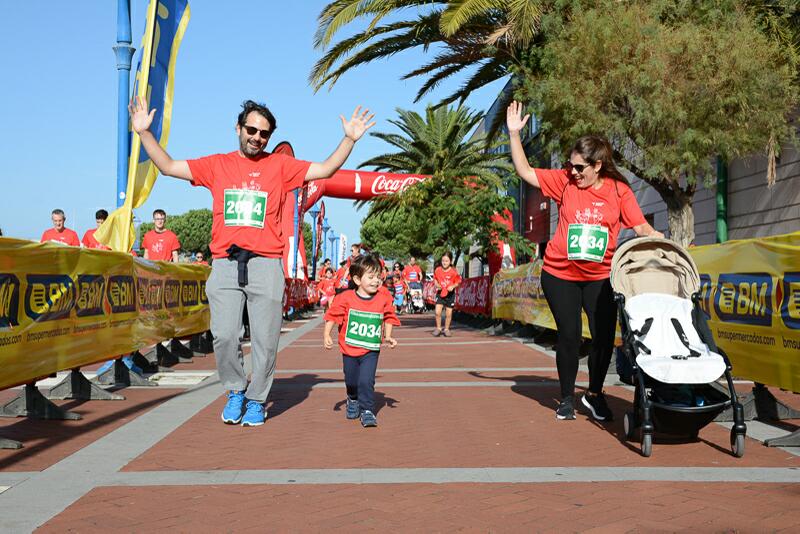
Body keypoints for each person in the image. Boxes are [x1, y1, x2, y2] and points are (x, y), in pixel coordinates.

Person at [129, 96, 374, 427]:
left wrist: (349, 139)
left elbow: (327, 169)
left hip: (266, 264)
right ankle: (234, 391)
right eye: (251, 130)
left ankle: (257, 399)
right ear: (238, 128)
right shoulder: (217, 164)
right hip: (226, 264)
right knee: (226, 335)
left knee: (265, 338)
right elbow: (169, 166)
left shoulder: (281, 166)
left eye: (264, 133)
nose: (257, 137)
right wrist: (144, 133)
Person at [506, 101, 664, 422]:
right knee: (569, 334)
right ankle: (566, 398)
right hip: (560, 272)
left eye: (580, 167)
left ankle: (594, 395)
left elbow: (641, 227)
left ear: (598, 166)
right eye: (571, 165)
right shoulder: (564, 181)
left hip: (600, 276)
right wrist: (514, 135)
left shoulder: (619, 191)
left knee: (604, 337)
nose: (573, 172)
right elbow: (525, 172)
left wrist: (665, 244)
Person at [323, 254, 399, 427]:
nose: (375, 281)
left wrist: (388, 336)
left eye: (378, 277)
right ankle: (352, 398)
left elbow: (388, 316)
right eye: (370, 277)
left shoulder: (383, 298)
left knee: (366, 380)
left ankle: (367, 410)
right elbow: (333, 315)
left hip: (370, 349)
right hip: (349, 349)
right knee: (351, 380)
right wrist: (327, 334)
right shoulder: (346, 297)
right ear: (357, 279)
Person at [432, 252, 461, 337]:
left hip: (450, 295)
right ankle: (438, 328)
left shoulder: (453, 271)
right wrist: (437, 284)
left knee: (448, 314)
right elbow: (435, 279)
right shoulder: (437, 270)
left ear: (450, 261)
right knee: (437, 312)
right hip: (440, 293)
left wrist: (453, 286)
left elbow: (458, 281)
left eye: (447, 261)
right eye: (443, 261)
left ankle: (447, 329)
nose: (444, 262)